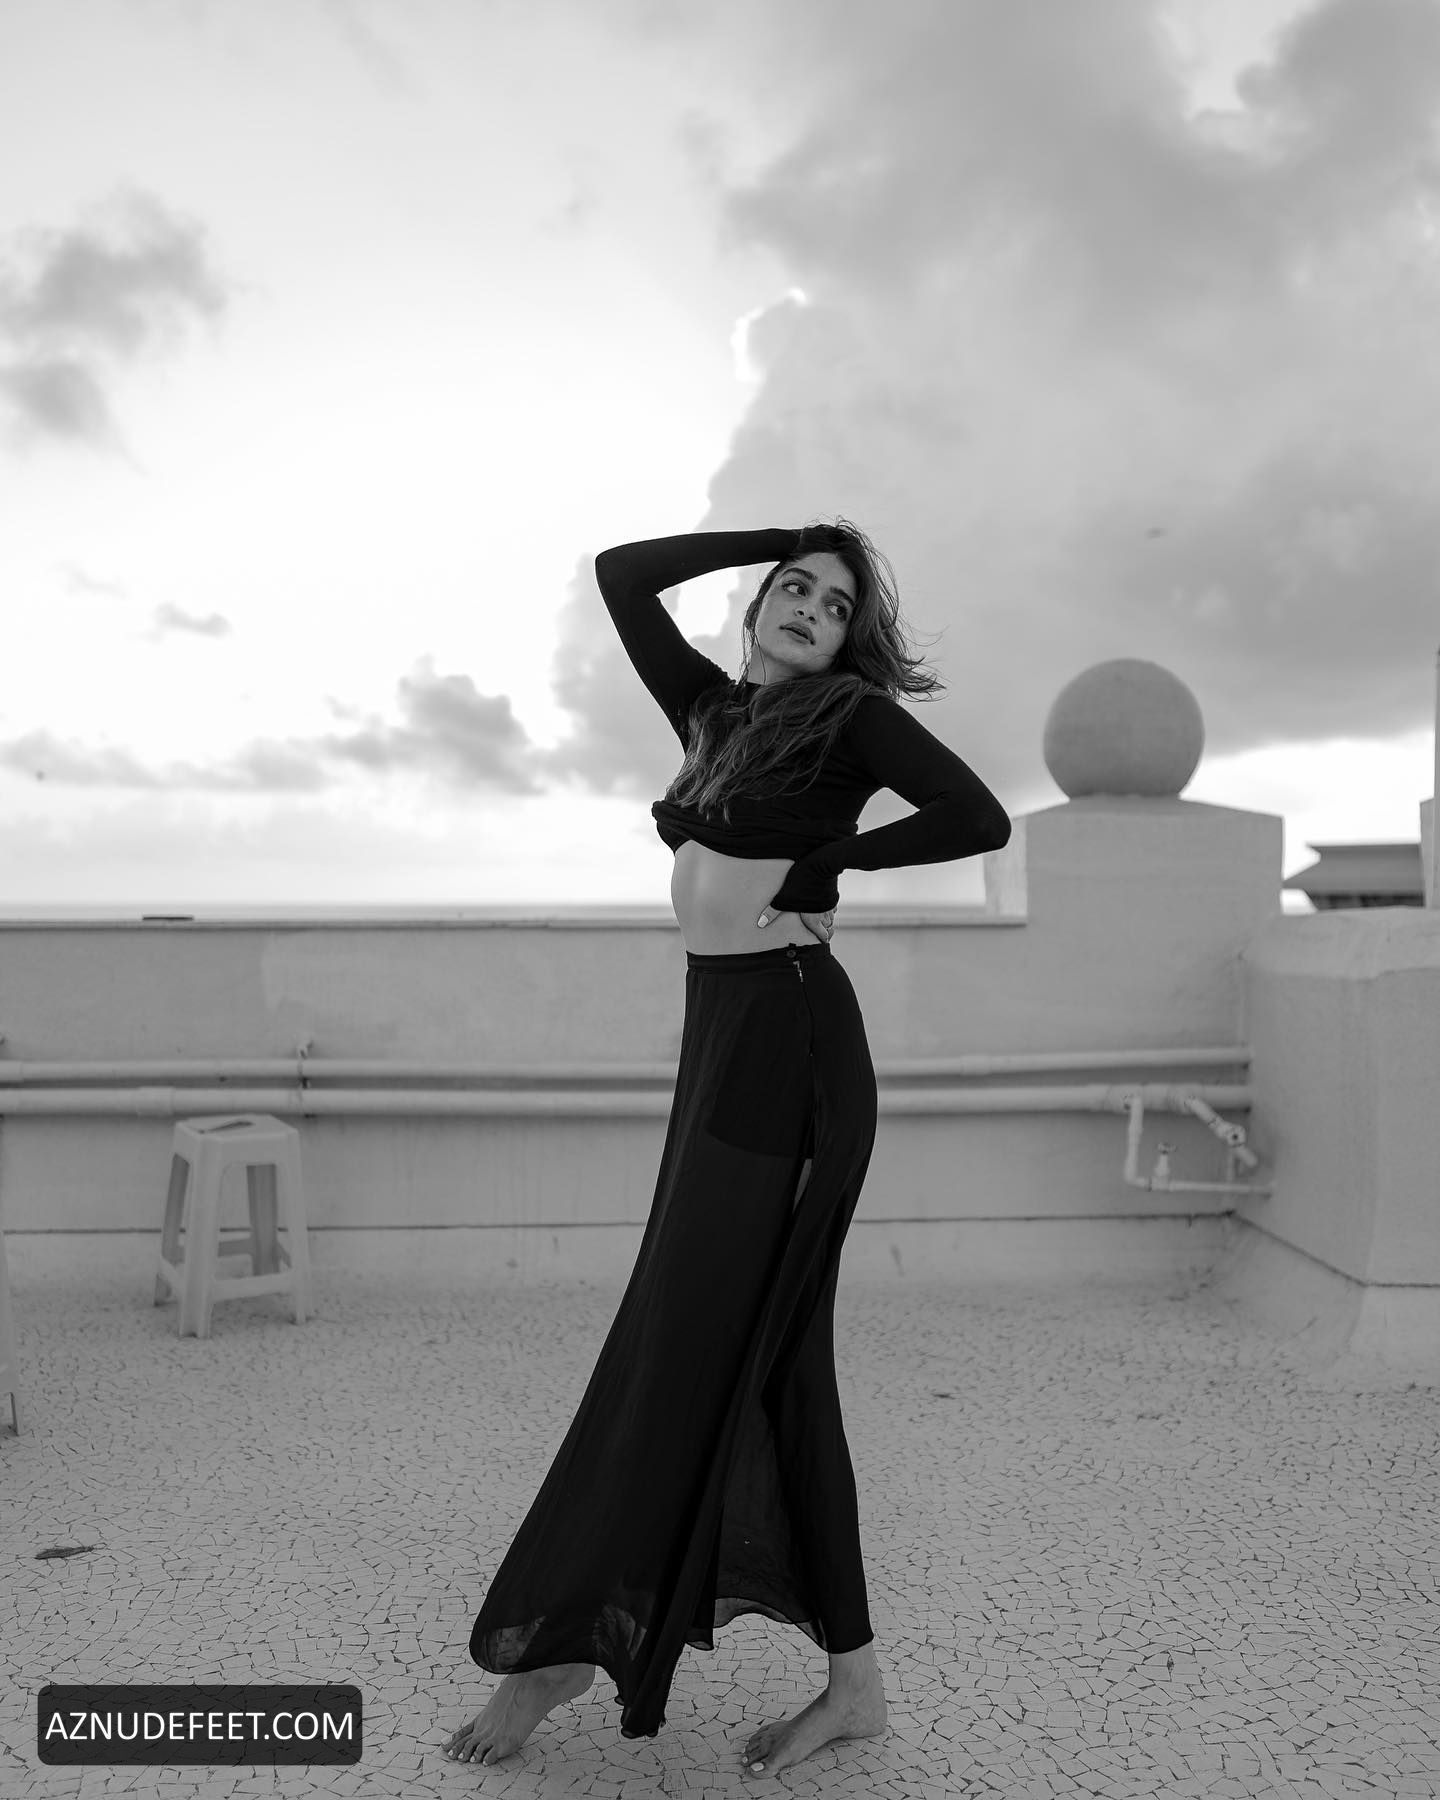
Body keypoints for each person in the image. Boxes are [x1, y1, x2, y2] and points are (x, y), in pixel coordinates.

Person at [444, 521, 1010, 1778]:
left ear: (851, 639)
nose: (810, 606)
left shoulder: (849, 715)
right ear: (756, 609)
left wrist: (833, 859)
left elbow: (978, 817)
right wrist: (781, 533)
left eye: (836, 602)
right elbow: (621, 575)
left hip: (792, 1049)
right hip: (726, 1037)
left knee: (740, 1354)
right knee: (708, 1347)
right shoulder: (713, 713)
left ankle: (589, 1645)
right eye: (792, 589)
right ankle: (804, 1675)